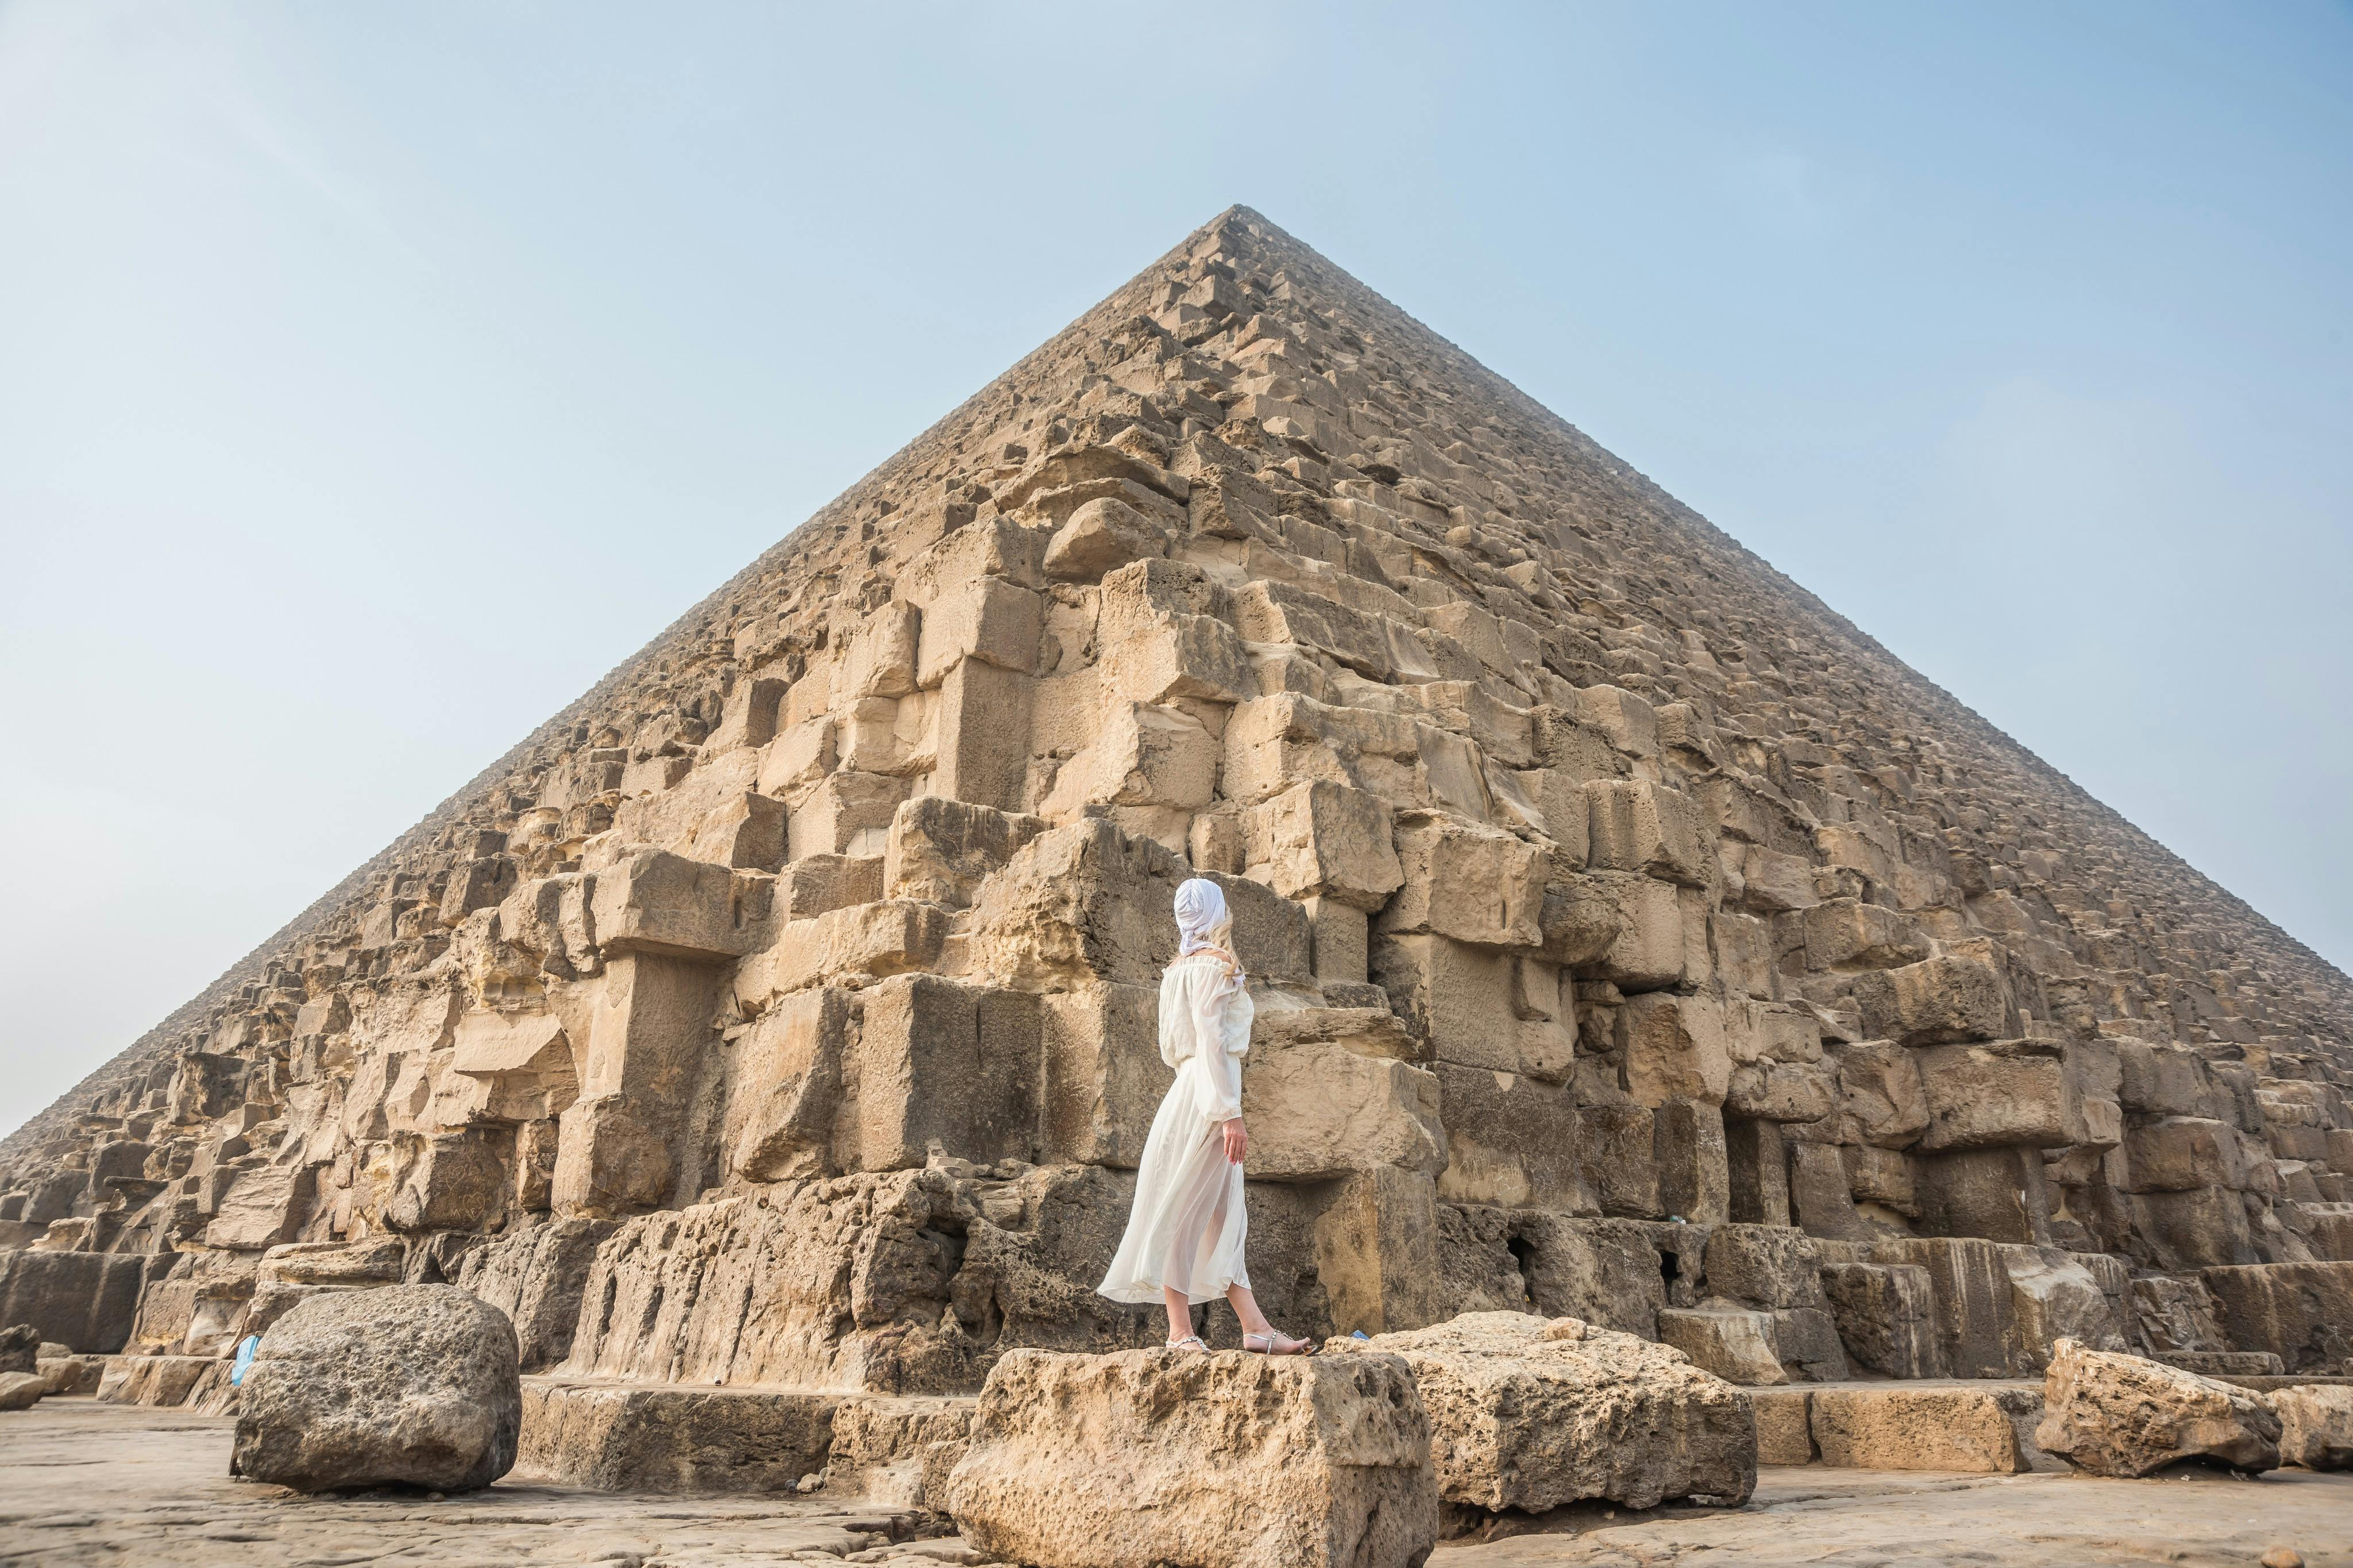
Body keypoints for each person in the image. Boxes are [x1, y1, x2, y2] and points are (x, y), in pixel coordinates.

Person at [1097, 878, 1315, 1354]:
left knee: (1222, 1215)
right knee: (1187, 1214)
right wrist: (1228, 1114)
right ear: (1217, 911)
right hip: (1210, 1098)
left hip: (1186, 1092)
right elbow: (1213, 1042)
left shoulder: (1175, 970)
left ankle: (1255, 1327)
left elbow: (1174, 1049)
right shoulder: (1217, 966)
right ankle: (1179, 1331)